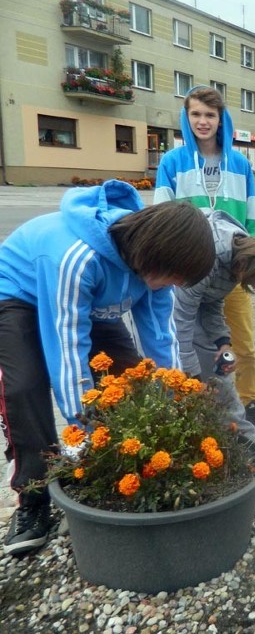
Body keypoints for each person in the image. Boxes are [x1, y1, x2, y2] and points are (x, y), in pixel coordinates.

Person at [0, 181, 215, 556]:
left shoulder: (154, 268)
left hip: (90, 301)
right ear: (155, 254)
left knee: (134, 377)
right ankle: (33, 500)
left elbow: (161, 341)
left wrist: (179, 400)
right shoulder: (77, 257)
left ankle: (123, 464)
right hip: (19, 297)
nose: (171, 286)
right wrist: (82, 428)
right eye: (173, 277)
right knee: (25, 387)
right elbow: (67, 349)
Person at [154, 86, 255, 439]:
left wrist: (247, 262)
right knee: (185, 335)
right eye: (196, 115)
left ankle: (250, 404)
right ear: (186, 118)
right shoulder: (172, 162)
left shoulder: (238, 164)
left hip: (233, 267)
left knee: (242, 344)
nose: (203, 122)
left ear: (221, 120)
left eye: (210, 115)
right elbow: (162, 214)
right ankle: (195, 402)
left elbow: (252, 218)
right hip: (188, 270)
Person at [172, 209, 255, 455]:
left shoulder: (239, 259)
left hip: (188, 303)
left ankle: (237, 435)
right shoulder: (208, 256)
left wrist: (223, 342)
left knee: (217, 368)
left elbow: (212, 301)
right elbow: (182, 316)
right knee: (189, 373)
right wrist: (190, 372)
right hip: (166, 297)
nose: (254, 287)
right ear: (246, 265)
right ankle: (237, 437)